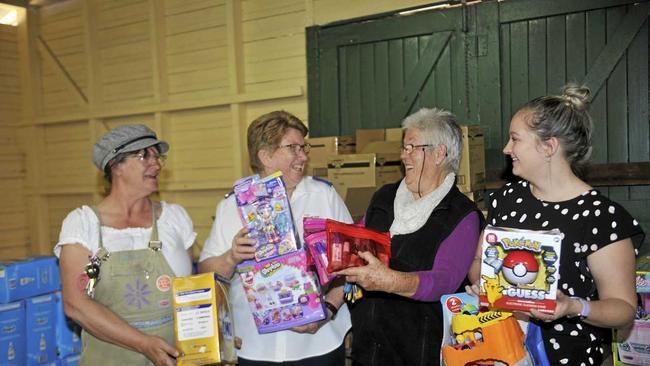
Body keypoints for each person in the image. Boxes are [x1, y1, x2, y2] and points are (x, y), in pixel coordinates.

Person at [467, 84, 645, 365]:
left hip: (570, 355)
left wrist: (573, 306)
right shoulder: (508, 198)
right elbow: (479, 261)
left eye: (515, 139)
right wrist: (485, 285)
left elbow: (622, 308)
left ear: (549, 147)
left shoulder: (601, 217)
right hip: (503, 349)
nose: (506, 148)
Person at [199, 110, 352, 365]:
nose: (303, 156)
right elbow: (206, 272)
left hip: (319, 345)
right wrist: (232, 256)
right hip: (255, 349)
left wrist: (328, 311)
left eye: (304, 148)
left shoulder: (324, 196)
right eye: (293, 148)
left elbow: (352, 264)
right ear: (265, 156)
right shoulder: (232, 206)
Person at [336, 108, 484, 366]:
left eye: (412, 147)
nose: (404, 155)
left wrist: (389, 280)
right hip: (367, 349)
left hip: (420, 352)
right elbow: (356, 239)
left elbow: (444, 281)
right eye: (404, 147)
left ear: (440, 153)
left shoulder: (462, 215)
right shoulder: (384, 197)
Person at [55, 124, 196, 366]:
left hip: (175, 358)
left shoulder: (174, 218)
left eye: (158, 155)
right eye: (145, 155)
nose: (157, 164)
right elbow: (75, 304)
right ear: (116, 165)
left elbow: (194, 291)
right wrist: (143, 343)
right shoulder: (83, 224)